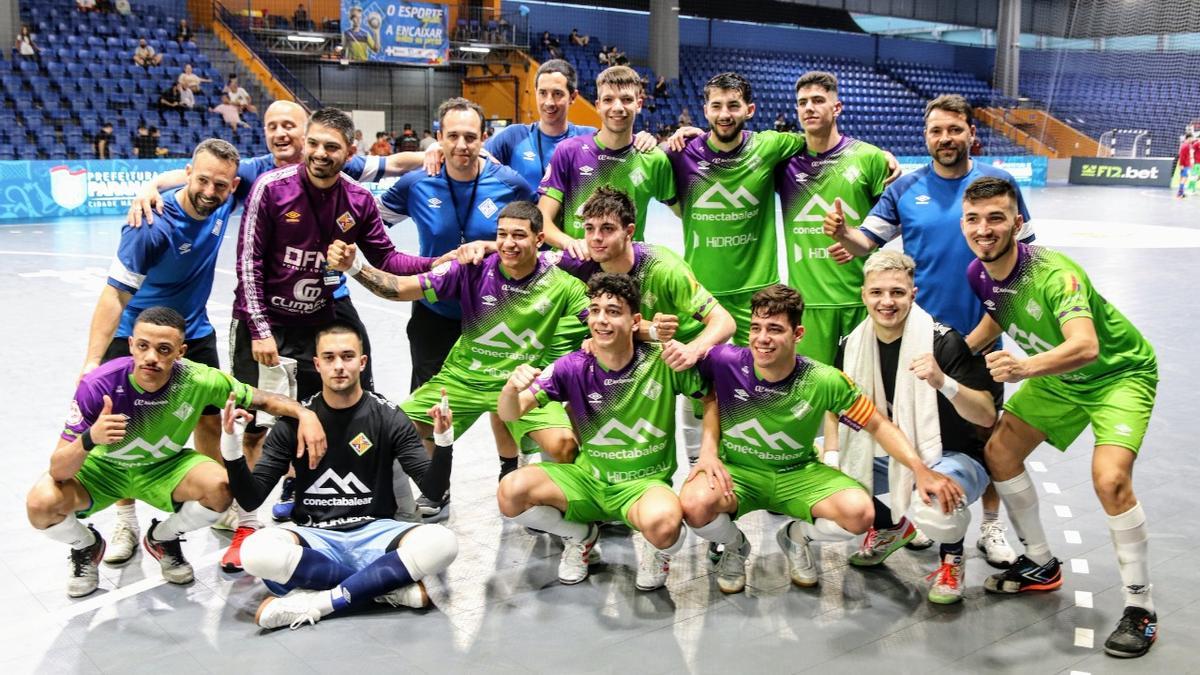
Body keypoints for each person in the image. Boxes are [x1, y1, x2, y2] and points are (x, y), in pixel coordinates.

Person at [227, 107, 438, 570]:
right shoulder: (271, 188)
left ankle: (350, 502)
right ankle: (245, 523)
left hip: (319, 323)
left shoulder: (358, 200)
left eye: (332, 147)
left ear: (350, 151)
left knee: (344, 410)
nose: (320, 154)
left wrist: (441, 262)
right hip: (267, 325)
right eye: (315, 144)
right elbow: (248, 263)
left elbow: (388, 260)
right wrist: (260, 330)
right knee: (256, 423)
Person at [961, 176, 1161, 658]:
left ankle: (1141, 608)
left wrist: (1024, 366)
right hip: (1057, 378)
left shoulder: (1055, 275)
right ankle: (1040, 563)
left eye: (996, 217)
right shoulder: (979, 273)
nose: (984, 228)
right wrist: (952, 354)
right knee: (999, 452)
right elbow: (999, 314)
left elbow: (1086, 346)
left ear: (1017, 223)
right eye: (973, 219)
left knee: (1110, 480)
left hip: (1116, 375)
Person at [25, 307, 325, 598]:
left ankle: (163, 538)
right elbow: (59, 471)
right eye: (143, 346)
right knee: (41, 504)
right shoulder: (98, 385)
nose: (151, 357)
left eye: (164, 349)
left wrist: (306, 414)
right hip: (104, 472)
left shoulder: (198, 379)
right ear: (131, 345)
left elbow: (263, 399)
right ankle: (86, 545)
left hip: (163, 468)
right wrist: (91, 438)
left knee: (222, 489)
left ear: (181, 351)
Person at [681, 284, 961, 593]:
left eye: (775, 329)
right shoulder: (723, 361)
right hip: (739, 472)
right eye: (757, 327)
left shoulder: (823, 380)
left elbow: (878, 425)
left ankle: (795, 538)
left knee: (859, 513)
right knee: (693, 504)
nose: (762, 339)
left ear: (797, 334)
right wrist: (707, 451)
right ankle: (734, 546)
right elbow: (698, 387)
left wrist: (919, 468)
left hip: (799, 473)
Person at [325, 202, 588, 517]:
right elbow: (400, 288)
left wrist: (655, 330)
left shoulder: (563, 282)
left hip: (522, 386)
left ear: (539, 239)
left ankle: (559, 511)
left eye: (519, 235)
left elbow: (604, 321)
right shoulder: (471, 268)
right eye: (502, 234)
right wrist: (355, 267)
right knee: (391, 434)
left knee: (565, 447)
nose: (508, 243)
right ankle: (428, 493)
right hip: (463, 379)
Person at [225, 322, 458, 630]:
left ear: (362, 363)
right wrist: (231, 445)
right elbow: (251, 497)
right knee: (255, 552)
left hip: (375, 531)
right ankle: (382, 588)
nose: (339, 366)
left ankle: (319, 602)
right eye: (330, 358)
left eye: (347, 357)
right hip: (317, 535)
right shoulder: (294, 422)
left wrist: (442, 442)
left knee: (443, 543)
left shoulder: (387, 415)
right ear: (317, 364)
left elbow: (433, 488)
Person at [80, 139, 242, 565]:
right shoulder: (151, 224)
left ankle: (212, 496)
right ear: (189, 173)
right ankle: (126, 520)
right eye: (202, 179)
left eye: (220, 185)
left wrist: (153, 179)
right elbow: (114, 295)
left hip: (195, 330)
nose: (210, 190)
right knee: (125, 428)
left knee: (212, 416)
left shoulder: (224, 198)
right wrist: (93, 362)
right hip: (141, 334)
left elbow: (285, 158)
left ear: (233, 185)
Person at [497, 273, 707, 590]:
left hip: (643, 484)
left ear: (636, 320)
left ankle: (656, 550)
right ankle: (580, 536)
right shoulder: (572, 366)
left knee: (665, 526)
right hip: (589, 480)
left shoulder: (662, 362)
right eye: (595, 310)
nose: (601, 320)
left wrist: (708, 454)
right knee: (510, 492)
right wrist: (511, 390)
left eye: (613, 311)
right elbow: (509, 412)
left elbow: (711, 397)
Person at [831, 251, 1001, 604]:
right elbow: (835, 407)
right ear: (863, 295)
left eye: (897, 292)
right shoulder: (850, 347)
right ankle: (892, 529)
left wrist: (944, 382)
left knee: (939, 497)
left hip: (954, 455)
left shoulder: (945, 342)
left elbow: (986, 415)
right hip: (889, 451)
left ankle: (952, 559)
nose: (887, 302)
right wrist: (833, 455)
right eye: (877, 292)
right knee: (821, 483)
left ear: (913, 294)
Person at [825, 94, 1034, 340]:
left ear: (972, 132)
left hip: (983, 333)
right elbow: (864, 243)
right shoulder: (903, 189)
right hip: (920, 334)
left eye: (955, 129)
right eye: (936, 131)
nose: (945, 138)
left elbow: (1025, 260)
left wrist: (990, 330)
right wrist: (844, 232)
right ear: (926, 135)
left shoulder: (1000, 183)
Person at [558, 186, 735, 465]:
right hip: (631, 340)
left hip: (681, 346)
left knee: (712, 385)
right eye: (589, 229)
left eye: (606, 229)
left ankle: (699, 464)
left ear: (629, 231)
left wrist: (693, 349)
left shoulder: (664, 268)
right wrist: (486, 245)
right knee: (578, 378)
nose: (595, 238)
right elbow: (528, 255)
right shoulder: (580, 261)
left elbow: (724, 321)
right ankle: (580, 467)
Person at [378, 97, 535, 391]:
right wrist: (402, 264)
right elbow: (371, 227)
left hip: (496, 313)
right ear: (439, 139)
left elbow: (539, 236)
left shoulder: (510, 184)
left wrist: (497, 249)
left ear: (484, 139)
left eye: (470, 137)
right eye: (452, 136)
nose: (461, 144)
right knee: (429, 409)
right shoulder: (416, 185)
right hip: (434, 313)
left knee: (507, 407)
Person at [664, 72, 804, 345]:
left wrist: (878, 154)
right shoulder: (681, 154)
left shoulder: (769, 146)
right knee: (693, 371)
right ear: (705, 110)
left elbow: (818, 142)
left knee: (758, 372)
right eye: (716, 106)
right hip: (700, 287)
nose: (724, 114)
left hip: (757, 289)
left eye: (733, 105)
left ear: (749, 110)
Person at [773, 71, 891, 366]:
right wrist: (693, 134)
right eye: (802, 102)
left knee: (864, 395)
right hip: (809, 304)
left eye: (818, 100)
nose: (809, 108)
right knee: (815, 395)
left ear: (836, 108)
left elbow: (894, 221)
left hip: (861, 301)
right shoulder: (783, 163)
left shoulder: (869, 158)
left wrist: (860, 239)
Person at [539, 65, 677, 254]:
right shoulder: (569, 151)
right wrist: (572, 244)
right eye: (608, 99)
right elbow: (542, 221)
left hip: (626, 275)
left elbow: (687, 214)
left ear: (639, 104)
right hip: (575, 271)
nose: (617, 107)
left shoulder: (654, 159)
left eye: (627, 99)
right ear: (598, 105)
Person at [1176, 133, 1193, 199]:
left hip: (1187, 164)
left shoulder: (1188, 145)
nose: (1192, 139)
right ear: (1188, 138)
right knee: (1184, 178)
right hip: (1185, 165)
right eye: (1192, 138)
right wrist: (1181, 165)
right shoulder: (1185, 146)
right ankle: (1180, 194)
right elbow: (1182, 156)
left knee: (1183, 178)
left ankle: (1181, 193)